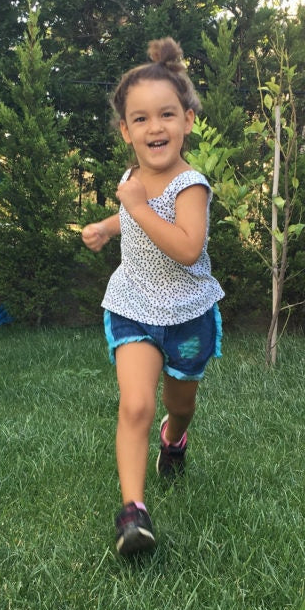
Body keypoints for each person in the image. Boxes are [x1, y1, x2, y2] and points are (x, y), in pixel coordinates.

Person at [81, 37, 225, 557]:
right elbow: (135, 220)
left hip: (187, 312)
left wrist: (137, 209)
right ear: (126, 131)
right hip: (134, 304)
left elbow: (187, 247)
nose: (154, 127)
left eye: (166, 115)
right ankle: (133, 513)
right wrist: (106, 225)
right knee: (136, 404)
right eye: (140, 119)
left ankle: (176, 439)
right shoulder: (131, 180)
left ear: (187, 120)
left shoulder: (191, 184)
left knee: (177, 403)